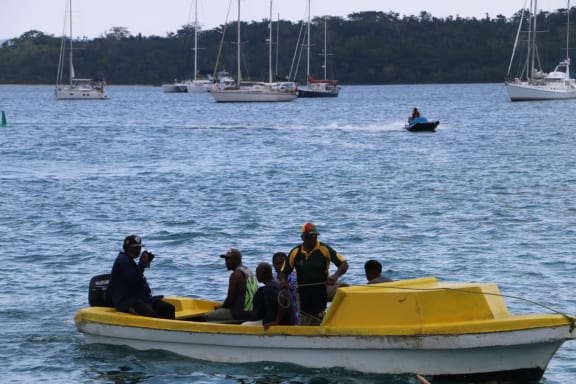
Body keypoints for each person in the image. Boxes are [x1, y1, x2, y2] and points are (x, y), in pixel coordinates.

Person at [279, 222, 348, 326]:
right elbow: (283, 272)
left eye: (315, 236)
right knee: (309, 321)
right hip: (304, 291)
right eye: (309, 236)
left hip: (324, 287)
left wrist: (335, 276)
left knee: (346, 289)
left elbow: (344, 264)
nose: (312, 239)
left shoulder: (324, 249)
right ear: (302, 237)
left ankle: (340, 319)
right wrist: (283, 282)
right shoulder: (295, 252)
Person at [108, 234, 175, 319]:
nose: (138, 250)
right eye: (135, 248)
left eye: (139, 248)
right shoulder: (122, 261)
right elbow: (133, 279)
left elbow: (137, 278)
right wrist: (142, 263)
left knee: (168, 308)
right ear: (128, 248)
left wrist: (145, 263)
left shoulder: (129, 260)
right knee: (151, 315)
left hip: (140, 299)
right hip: (126, 302)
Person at [202, 248, 258, 322]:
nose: (226, 262)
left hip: (239, 313)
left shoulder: (235, 275)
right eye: (226, 259)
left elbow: (230, 300)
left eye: (229, 259)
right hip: (251, 312)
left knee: (205, 316)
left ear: (237, 260)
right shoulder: (248, 271)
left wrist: (221, 307)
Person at [244, 262, 294, 329]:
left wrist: (277, 321)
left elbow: (283, 299)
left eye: (257, 273)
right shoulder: (276, 282)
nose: (256, 275)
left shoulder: (270, 287)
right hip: (288, 321)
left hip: (281, 323)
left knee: (245, 325)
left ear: (263, 273)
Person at [272, 252, 299, 325]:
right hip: (282, 316)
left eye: (283, 263)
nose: (280, 266)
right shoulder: (274, 280)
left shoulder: (295, 278)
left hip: (296, 315)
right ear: (273, 265)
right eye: (278, 264)